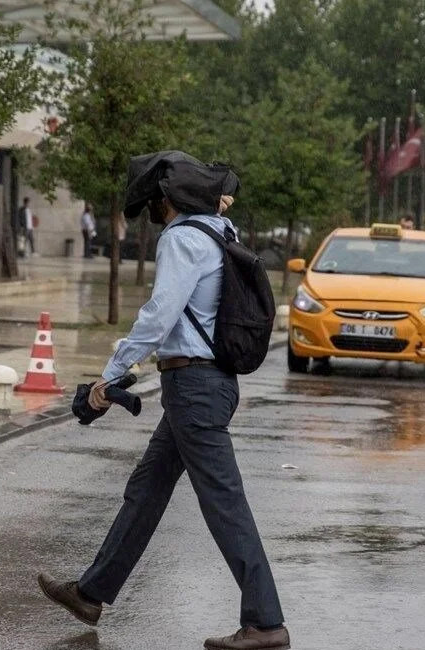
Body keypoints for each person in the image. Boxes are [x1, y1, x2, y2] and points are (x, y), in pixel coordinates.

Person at [39, 188, 289, 650]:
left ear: (167, 199)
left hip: (194, 387)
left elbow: (159, 316)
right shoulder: (217, 230)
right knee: (147, 488)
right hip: (203, 385)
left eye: (154, 197)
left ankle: (266, 622)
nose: (150, 206)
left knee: (223, 503)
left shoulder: (180, 238)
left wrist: (108, 376)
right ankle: (91, 594)